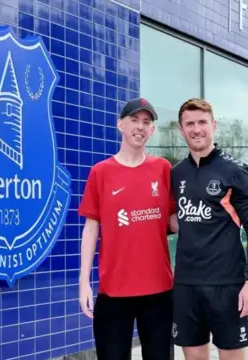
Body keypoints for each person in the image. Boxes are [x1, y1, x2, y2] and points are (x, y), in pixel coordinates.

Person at [77, 97, 178, 360]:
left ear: (152, 130)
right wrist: (84, 281)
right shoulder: (101, 172)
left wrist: (212, 216)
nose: (140, 126)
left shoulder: (163, 169)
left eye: (146, 122)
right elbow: (90, 229)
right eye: (134, 120)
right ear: (120, 124)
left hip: (159, 290)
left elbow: (173, 222)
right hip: (114, 290)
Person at [170, 98, 248, 360]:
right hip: (186, 285)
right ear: (181, 129)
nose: (196, 129)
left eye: (202, 122)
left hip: (227, 286)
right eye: (190, 124)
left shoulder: (235, 171)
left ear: (214, 125)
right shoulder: (177, 173)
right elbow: (174, 220)